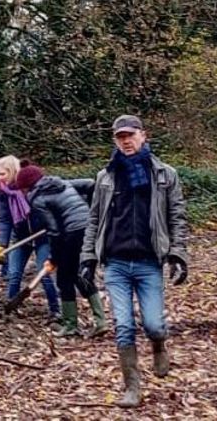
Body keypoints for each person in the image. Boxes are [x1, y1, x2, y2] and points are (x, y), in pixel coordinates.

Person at [81, 115, 191, 409]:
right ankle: (132, 387)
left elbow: (177, 217)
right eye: (120, 137)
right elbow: (94, 220)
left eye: (130, 135)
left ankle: (158, 344)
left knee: (154, 324)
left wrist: (178, 254)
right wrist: (88, 258)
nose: (126, 141)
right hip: (115, 263)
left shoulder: (165, 174)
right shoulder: (106, 177)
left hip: (148, 262)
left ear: (143, 135)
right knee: (124, 325)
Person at [25, 163, 104, 337]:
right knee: (79, 273)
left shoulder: (36, 198)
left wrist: (53, 259)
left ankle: (70, 325)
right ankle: (100, 322)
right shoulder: (62, 183)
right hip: (90, 228)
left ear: (26, 186)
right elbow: (91, 184)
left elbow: (54, 232)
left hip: (73, 233)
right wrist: (90, 210)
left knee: (64, 279)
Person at [0, 156, 52, 316]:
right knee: (14, 274)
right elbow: (4, 220)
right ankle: (11, 307)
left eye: (3, 174)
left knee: (44, 272)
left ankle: (55, 311)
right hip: (20, 236)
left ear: (13, 172)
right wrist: (1, 244)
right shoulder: (4, 193)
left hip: (42, 235)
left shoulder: (30, 186)